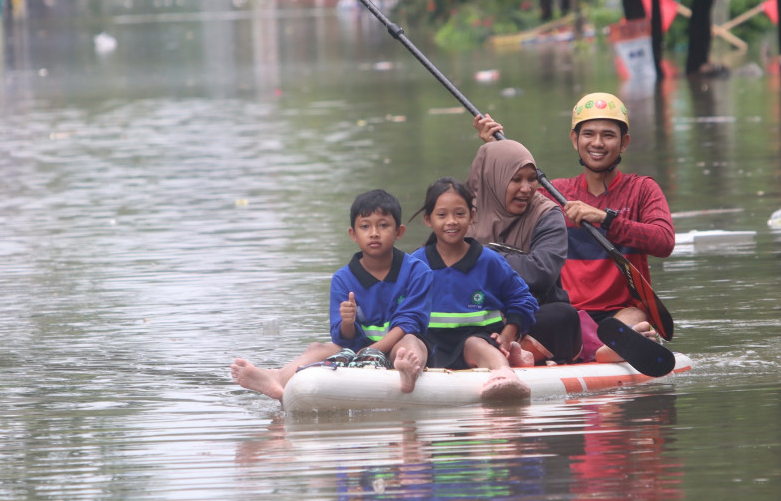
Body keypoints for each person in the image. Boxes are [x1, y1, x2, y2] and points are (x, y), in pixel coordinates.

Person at [474, 92, 675, 366]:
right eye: (588, 134)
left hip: (619, 312)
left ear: (624, 142)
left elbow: (664, 242)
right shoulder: (552, 193)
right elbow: (509, 197)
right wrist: (499, 154)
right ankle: (558, 352)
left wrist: (606, 219)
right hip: (564, 311)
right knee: (551, 317)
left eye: (608, 135)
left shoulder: (643, 189)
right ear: (574, 140)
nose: (597, 143)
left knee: (635, 316)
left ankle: (609, 348)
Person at [232, 189, 432, 400]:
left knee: (411, 344)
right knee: (319, 348)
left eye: (383, 225)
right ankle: (277, 377)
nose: (374, 233)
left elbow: (409, 323)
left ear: (399, 232)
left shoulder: (417, 271)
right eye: (365, 226)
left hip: (394, 349)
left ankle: (408, 373)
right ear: (353, 234)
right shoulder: (342, 278)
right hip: (356, 350)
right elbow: (342, 336)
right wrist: (347, 322)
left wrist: (371, 352)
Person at [409, 177, 535, 401]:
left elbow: (522, 299)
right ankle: (403, 372)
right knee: (411, 345)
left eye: (459, 214)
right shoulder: (415, 264)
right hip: (429, 343)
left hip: (476, 340)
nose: (451, 221)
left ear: (472, 216)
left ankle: (505, 373)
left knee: (475, 344)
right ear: (428, 220)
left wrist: (507, 336)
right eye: (442, 215)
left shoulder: (489, 260)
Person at [465, 140, 588, 365]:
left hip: (532, 313)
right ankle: (499, 352)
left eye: (532, 179)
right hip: (475, 313)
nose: (527, 188)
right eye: (516, 179)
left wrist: (476, 260)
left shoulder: (547, 215)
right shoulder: (462, 214)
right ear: (494, 180)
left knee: (564, 316)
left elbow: (540, 272)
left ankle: (508, 352)